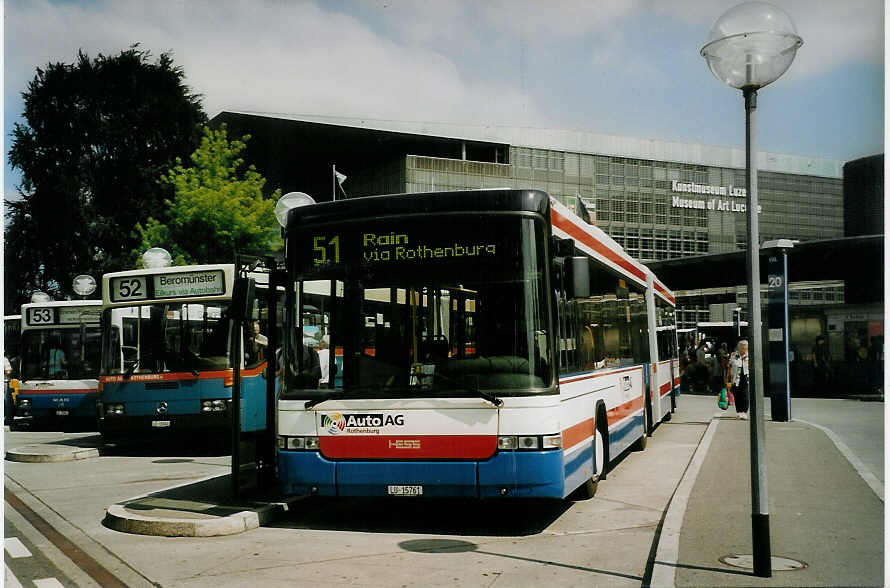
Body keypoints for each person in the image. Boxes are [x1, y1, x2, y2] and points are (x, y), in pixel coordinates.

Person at [729, 339, 749, 419]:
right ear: (739, 348)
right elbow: (729, 366)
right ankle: (739, 411)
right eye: (742, 348)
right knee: (737, 396)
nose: (744, 349)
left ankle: (744, 411)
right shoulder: (734, 355)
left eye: (745, 348)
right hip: (736, 378)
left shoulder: (749, 355)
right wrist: (728, 378)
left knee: (745, 396)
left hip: (745, 378)